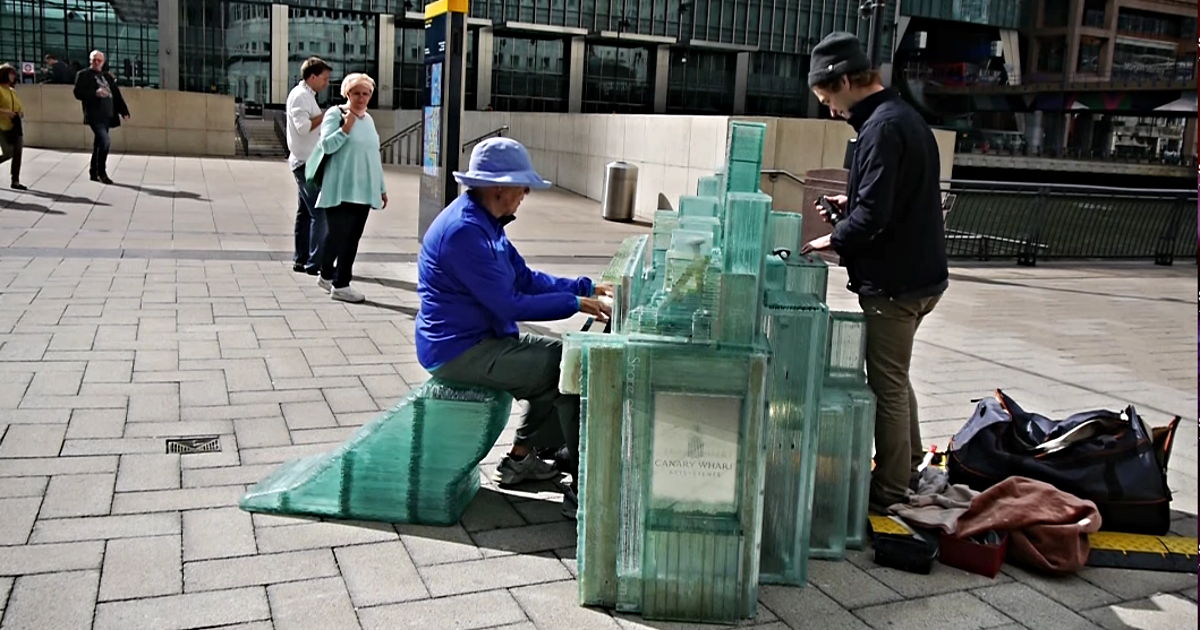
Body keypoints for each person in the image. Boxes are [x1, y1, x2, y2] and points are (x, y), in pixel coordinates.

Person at [415, 137, 613, 519]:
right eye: (523, 185)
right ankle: (584, 485)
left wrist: (583, 287)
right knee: (568, 366)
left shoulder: (487, 222)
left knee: (558, 361)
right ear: (499, 187)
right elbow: (508, 303)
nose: (525, 193)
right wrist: (575, 304)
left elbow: (523, 277)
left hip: (481, 338)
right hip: (459, 350)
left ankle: (522, 459)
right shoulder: (465, 232)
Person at [800, 32, 948, 514]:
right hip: (923, 277)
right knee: (896, 378)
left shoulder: (881, 128)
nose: (829, 110)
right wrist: (850, 202)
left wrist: (833, 238)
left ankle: (887, 492)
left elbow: (875, 218)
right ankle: (904, 472)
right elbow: (891, 197)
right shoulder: (903, 117)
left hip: (895, 284)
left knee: (885, 386)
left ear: (844, 81)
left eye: (828, 98)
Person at [310, 73, 387, 303]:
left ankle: (327, 276)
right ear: (347, 94)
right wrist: (345, 128)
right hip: (340, 187)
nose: (361, 98)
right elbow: (326, 145)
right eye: (356, 93)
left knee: (351, 238)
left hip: (364, 191)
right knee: (338, 237)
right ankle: (341, 285)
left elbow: (373, 156)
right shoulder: (337, 114)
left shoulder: (369, 120)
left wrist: (381, 188)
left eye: (366, 94)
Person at [286, 57, 333, 276]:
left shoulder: (305, 95)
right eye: (324, 78)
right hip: (305, 164)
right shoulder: (301, 97)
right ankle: (315, 263)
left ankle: (301, 258)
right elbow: (303, 128)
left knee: (304, 213)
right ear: (312, 77)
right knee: (319, 213)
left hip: (304, 161)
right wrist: (325, 116)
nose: (326, 83)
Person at [73, 50, 129, 184]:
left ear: (103, 62)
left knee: (99, 143)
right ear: (90, 60)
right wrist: (95, 93)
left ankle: (93, 172)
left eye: (99, 60)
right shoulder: (83, 75)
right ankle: (101, 172)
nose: (97, 62)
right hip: (94, 114)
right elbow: (78, 93)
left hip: (107, 115)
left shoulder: (107, 77)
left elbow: (116, 94)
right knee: (105, 141)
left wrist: (124, 110)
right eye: (94, 60)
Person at [0, 64, 26, 190]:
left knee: (18, 152)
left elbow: (19, 107)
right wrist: (6, 113)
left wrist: (19, 112)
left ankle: (15, 180)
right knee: (8, 153)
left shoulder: (12, 91)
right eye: (11, 73)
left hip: (15, 126)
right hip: (2, 126)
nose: (13, 76)